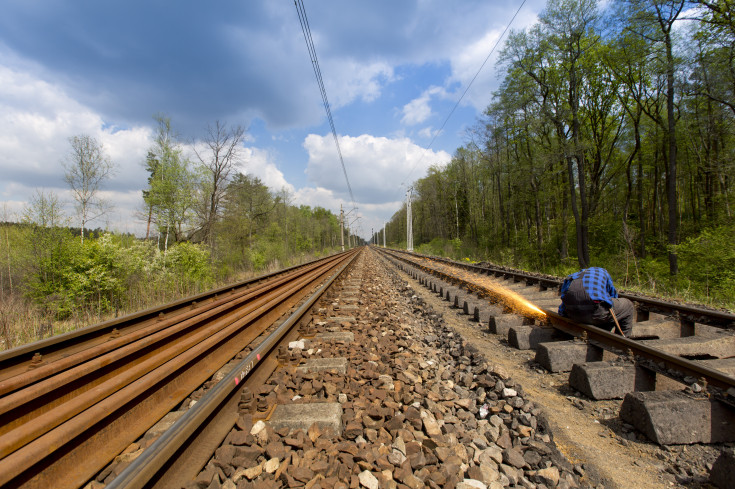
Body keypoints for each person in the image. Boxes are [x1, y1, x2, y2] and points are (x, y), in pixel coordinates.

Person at [558, 267, 634, 336]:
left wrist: (564, 315)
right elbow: (612, 296)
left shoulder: (571, 277)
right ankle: (621, 341)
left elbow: (563, 300)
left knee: (599, 306)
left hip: (573, 315)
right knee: (628, 305)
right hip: (596, 314)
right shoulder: (603, 272)